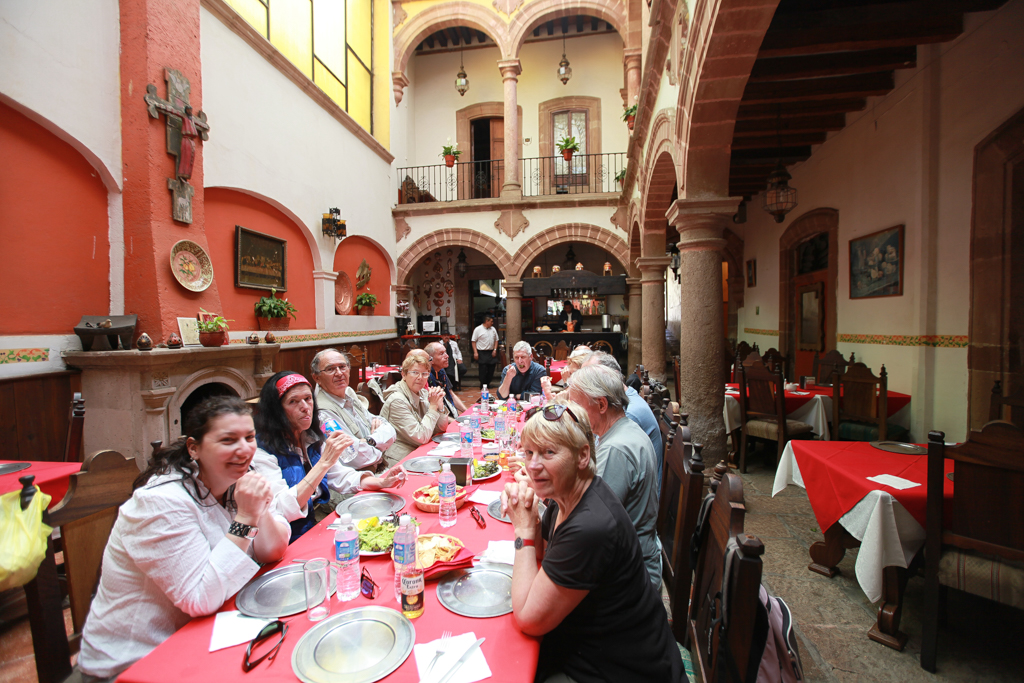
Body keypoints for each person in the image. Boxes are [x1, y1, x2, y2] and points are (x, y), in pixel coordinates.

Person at [76, 396, 291, 681]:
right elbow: (199, 599)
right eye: (228, 440)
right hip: (137, 662)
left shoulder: (232, 480)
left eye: (249, 437)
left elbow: (272, 551)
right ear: (194, 448)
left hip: (208, 633)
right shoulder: (160, 502)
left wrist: (258, 509)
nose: (244, 449)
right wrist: (246, 518)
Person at [501, 400, 684, 683]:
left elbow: (528, 619)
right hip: (598, 649)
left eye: (549, 452)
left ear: (583, 455)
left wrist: (522, 531)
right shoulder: (568, 497)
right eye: (529, 452)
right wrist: (531, 518)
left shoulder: (591, 526)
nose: (533, 465)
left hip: (621, 669)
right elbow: (544, 554)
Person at [253, 371, 403, 541]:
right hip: (283, 540)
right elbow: (282, 508)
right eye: (293, 401)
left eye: (308, 399)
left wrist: (381, 482)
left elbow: (340, 476)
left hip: (312, 528)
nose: (304, 407)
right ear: (276, 411)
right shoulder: (262, 452)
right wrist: (323, 463)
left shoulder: (309, 437)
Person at [567, 365, 662, 587]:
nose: (572, 415)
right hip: (631, 555)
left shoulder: (615, 450)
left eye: (577, 407)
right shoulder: (624, 429)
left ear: (601, 404)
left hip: (629, 575)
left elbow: (587, 524)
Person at [583, 351, 663, 488]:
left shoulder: (627, 413)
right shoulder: (623, 399)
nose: (588, 388)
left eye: (592, 379)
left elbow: (600, 462)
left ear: (613, 376)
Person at [311, 348, 397, 472]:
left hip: (376, 472)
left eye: (342, 367)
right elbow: (355, 457)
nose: (339, 373)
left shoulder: (348, 396)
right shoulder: (323, 412)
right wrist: (378, 444)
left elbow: (389, 429)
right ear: (316, 377)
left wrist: (369, 441)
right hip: (354, 484)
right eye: (330, 369)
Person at [380, 349, 451, 463]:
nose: (420, 377)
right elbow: (421, 437)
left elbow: (440, 428)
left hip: (417, 450)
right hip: (399, 458)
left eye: (424, 374)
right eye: (415, 372)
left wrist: (439, 405)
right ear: (403, 374)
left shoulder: (422, 392)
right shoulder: (397, 400)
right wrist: (433, 407)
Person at [425, 341, 466, 418]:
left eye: (446, 353)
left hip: (448, 414)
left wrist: (467, 412)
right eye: (441, 354)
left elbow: (451, 394)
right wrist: (455, 423)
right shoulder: (425, 377)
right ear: (431, 359)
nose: (447, 356)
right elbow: (434, 411)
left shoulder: (441, 371)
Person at [471, 316, 500, 387]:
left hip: (491, 352)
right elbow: (473, 341)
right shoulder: (478, 329)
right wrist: (475, 352)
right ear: (487, 321)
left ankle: (488, 383)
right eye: (491, 321)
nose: (492, 323)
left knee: (491, 368)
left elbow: (496, 340)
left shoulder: (493, 329)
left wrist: (495, 349)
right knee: (483, 369)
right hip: (482, 352)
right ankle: (483, 384)